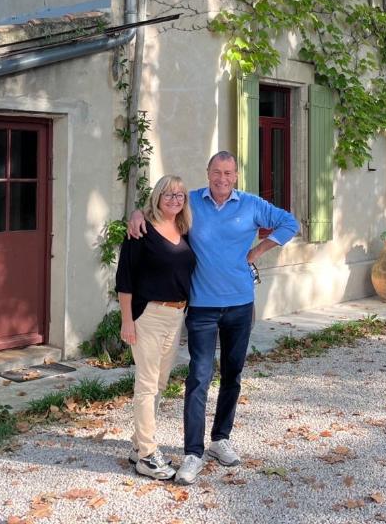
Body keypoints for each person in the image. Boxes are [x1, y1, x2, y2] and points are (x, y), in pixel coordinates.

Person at [128, 151, 299, 485]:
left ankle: (221, 440)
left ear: (236, 175)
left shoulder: (251, 204)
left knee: (232, 375)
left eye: (229, 173)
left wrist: (257, 251)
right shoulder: (190, 202)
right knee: (199, 378)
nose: (222, 178)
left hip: (240, 304)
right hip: (203, 307)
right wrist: (136, 213)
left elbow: (290, 223)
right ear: (207, 173)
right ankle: (193, 452)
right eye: (216, 172)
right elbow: (159, 207)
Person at [116, 174, 196, 480]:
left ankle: (139, 445)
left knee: (159, 384)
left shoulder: (184, 229)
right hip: (148, 315)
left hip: (176, 316)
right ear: (157, 197)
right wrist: (127, 321)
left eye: (180, 196)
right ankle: (148, 456)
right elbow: (125, 279)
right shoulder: (141, 230)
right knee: (147, 385)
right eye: (168, 194)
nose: (174, 200)